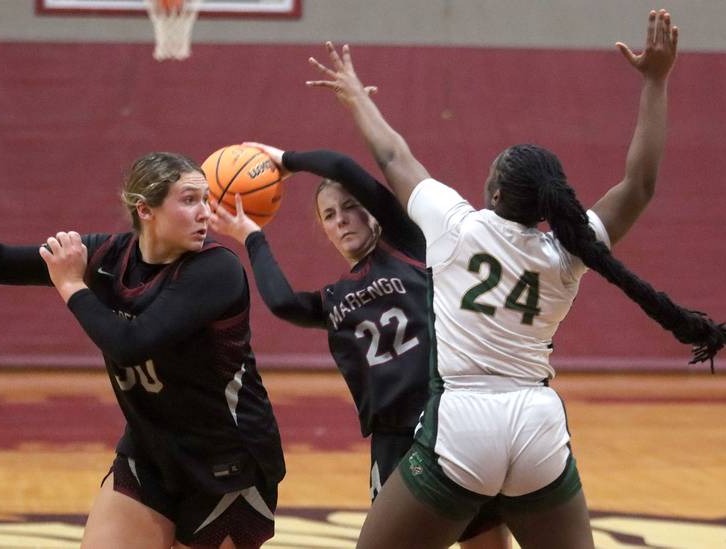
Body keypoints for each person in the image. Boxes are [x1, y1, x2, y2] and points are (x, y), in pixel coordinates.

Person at [306, 10, 726, 549]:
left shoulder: (455, 227)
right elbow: (640, 184)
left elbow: (392, 153)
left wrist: (355, 94)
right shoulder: (570, 248)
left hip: (464, 421)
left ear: (494, 194)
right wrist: (656, 81)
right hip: (536, 424)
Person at [0, 152, 285, 549]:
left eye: (207, 199)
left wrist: (71, 286)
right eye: (189, 199)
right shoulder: (106, 256)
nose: (205, 212)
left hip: (227, 464)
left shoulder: (217, 270)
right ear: (146, 209)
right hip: (151, 454)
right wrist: (73, 276)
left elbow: (131, 344)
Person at [209, 147, 511, 547]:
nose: (342, 220)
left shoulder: (411, 246)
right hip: (393, 439)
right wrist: (252, 235)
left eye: (350, 207)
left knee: (486, 541)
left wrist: (286, 160)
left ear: (372, 213)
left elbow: (341, 167)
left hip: (449, 417)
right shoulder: (334, 298)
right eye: (329, 216)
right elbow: (283, 303)